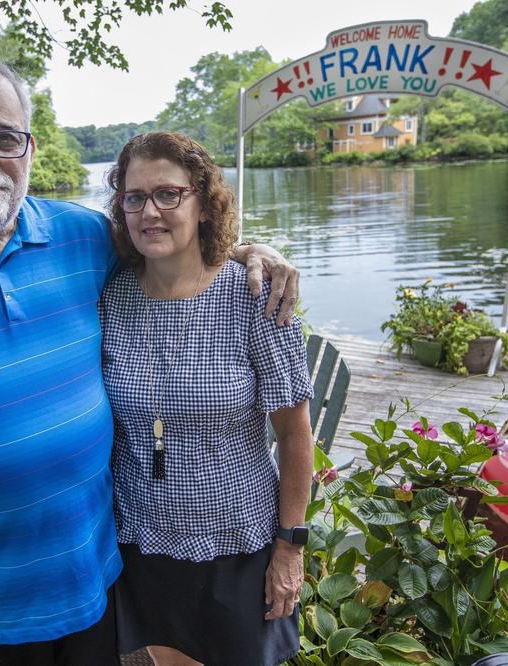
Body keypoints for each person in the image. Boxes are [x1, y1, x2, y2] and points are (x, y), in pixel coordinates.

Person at [0, 56, 301, 666]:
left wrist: (249, 253)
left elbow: (169, 242)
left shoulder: (82, 237)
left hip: (96, 571)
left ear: (28, 148)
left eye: (4, 137)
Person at [100, 131, 315, 666]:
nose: (150, 211)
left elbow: (294, 434)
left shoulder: (253, 295)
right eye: (135, 197)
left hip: (237, 540)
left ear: (202, 202)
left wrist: (290, 547)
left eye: (169, 194)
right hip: (143, 536)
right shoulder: (109, 294)